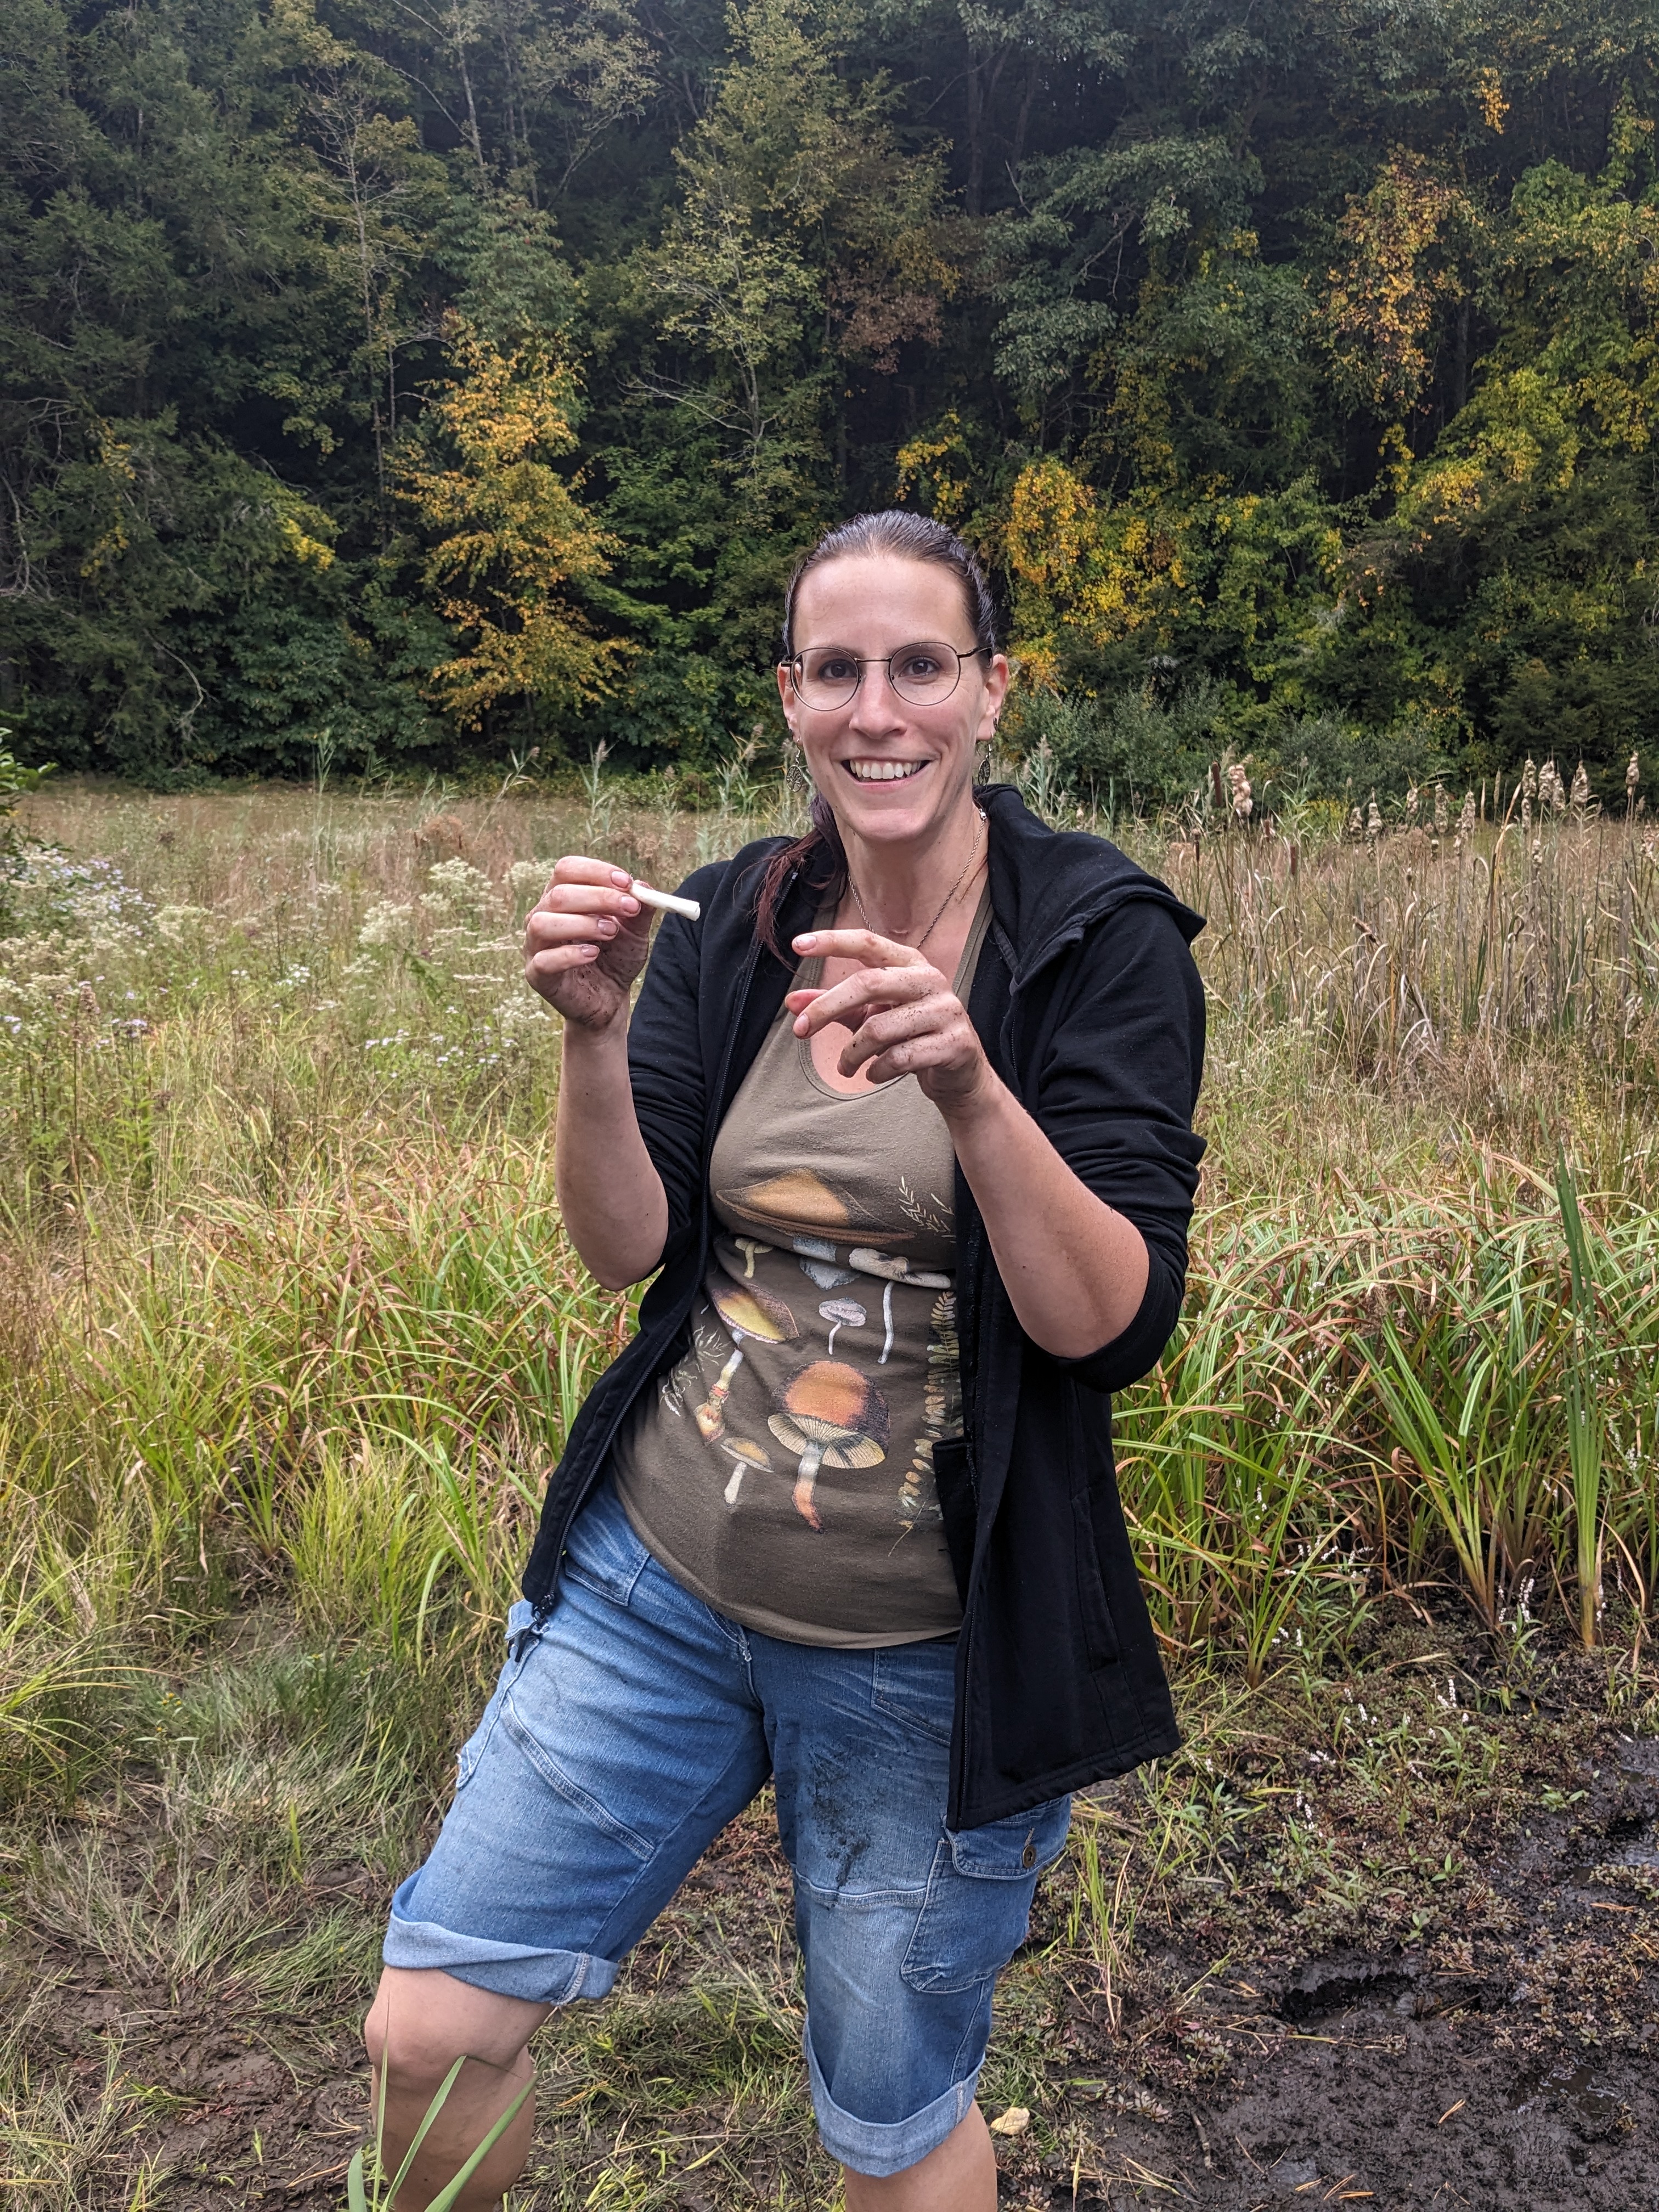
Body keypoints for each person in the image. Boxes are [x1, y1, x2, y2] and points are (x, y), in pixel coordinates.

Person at [364, 510, 1206, 2210]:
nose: (877, 710)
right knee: (430, 2027)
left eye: (921, 666)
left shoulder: (1096, 938)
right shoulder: (740, 913)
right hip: (658, 1587)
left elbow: (1108, 1325)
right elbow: (629, 1244)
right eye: (837, 670)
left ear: (993, 691)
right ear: (791, 697)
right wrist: (594, 1039)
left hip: (920, 1650)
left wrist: (970, 1087)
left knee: (890, 2123)